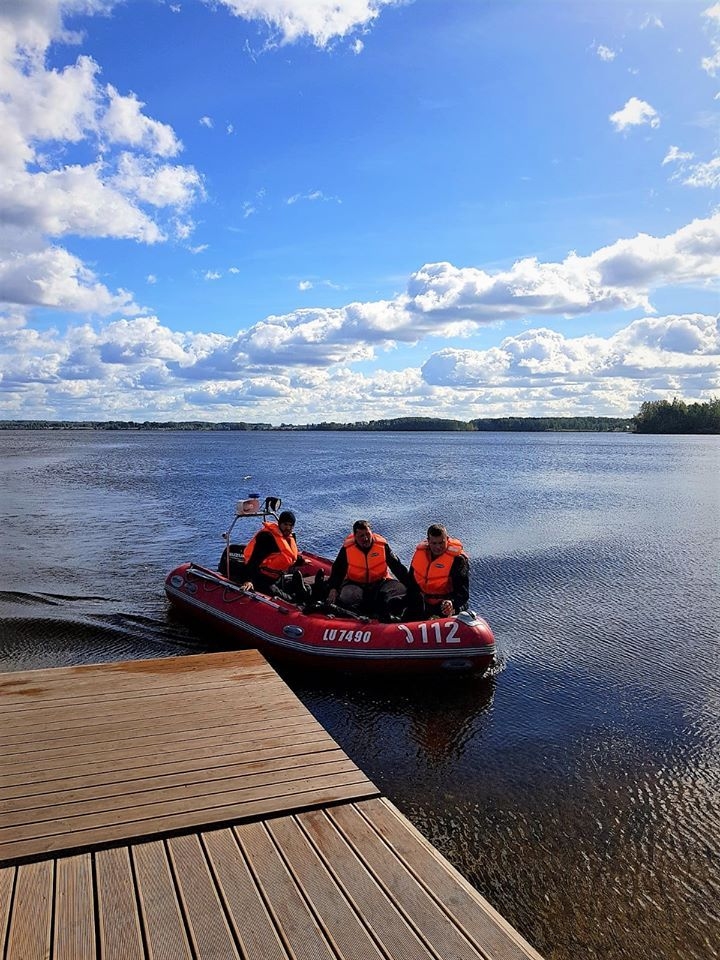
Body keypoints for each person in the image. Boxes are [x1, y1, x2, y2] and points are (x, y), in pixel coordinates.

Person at [326, 519, 408, 620]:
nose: (365, 538)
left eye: (367, 534)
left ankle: (388, 611)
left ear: (371, 533)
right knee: (347, 595)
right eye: (361, 536)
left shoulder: (382, 546)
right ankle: (357, 615)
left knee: (401, 589)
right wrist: (333, 589)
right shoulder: (347, 549)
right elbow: (338, 570)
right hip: (356, 584)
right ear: (355, 537)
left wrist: (412, 586)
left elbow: (397, 567)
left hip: (380, 582)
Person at [229, 510, 304, 595]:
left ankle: (303, 591)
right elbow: (254, 561)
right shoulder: (267, 538)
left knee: (292, 587)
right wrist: (248, 580)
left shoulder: (288, 538)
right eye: (285, 524)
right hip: (261, 577)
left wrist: (300, 561)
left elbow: (288, 557)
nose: (288, 528)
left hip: (276, 576)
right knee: (278, 595)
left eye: (291, 525)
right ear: (279, 524)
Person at [406, 523, 469, 619]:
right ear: (428, 541)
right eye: (434, 543)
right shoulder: (420, 555)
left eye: (441, 543)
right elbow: (411, 583)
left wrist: (452, 603)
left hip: (448, 603)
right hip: (424, 602)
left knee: (447, 611)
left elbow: (463, 594)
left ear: (447, 539)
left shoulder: (458, 560)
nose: (438, 547)